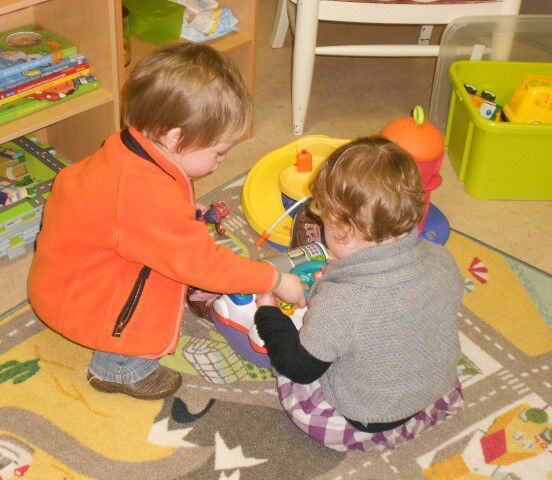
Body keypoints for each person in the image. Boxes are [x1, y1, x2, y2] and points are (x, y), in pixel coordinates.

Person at [28, 43, 306, 401]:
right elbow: (201, 263)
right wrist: (274, 278)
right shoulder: (146, 195)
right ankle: (119, 368)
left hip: (64, 276)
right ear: (176, 137)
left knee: (171, 258)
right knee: (157, 291)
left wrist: (181, 214)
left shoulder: (129, 149)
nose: (222, 160)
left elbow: (132, 215)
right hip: (79, 300)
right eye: (219, 151)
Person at [254, 136, 464, 451]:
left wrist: (267, 311)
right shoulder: (442, 258)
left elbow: (299, 367)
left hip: (370, 415)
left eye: (324, 222)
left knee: (292, 382)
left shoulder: (343, 301)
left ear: (344, 230)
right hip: (434, 389)